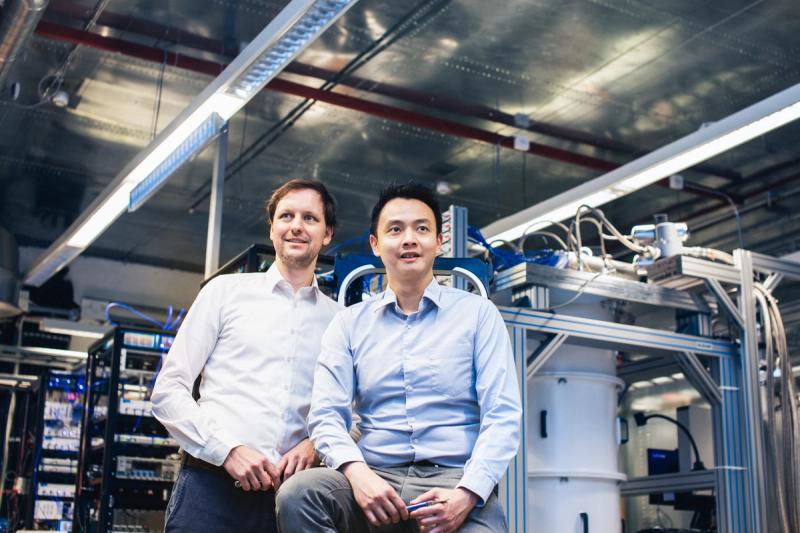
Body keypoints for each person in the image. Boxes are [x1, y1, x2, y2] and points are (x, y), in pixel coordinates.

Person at [276, 183, 522, 533]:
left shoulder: (479, 315)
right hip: (374, 478)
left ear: (438, 242)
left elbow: (503, 415)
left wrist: (467, 493)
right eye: (395, 229)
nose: (409, 239)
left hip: (453, 481)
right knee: (299, 494)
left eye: (422, 229)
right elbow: (326, 415)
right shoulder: (349, 323)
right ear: (375, 245)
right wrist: (357, 475)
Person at [151, 179, 341, 533]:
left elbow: (356, 412)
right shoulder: (225, 294)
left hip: (291, 500)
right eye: (286, 216)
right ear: (272, 229)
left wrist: (316, 446)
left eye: (310, 218)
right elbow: (168, 392)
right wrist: (229, 450)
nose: (296, 226)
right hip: (209, 491)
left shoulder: (340, 321)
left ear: (327, 233)